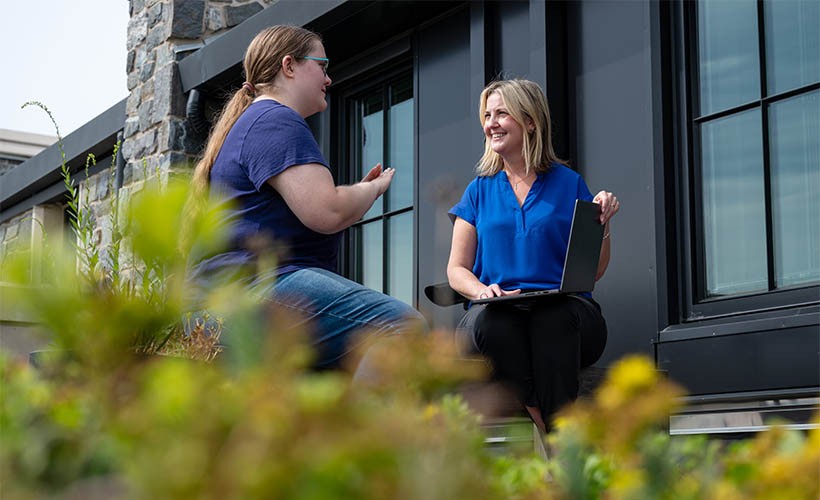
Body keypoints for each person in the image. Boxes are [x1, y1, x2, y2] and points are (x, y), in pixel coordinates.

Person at [184, 25, 425, 372]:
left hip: (220, 304)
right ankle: (371, 412)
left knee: (326, 372)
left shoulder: (254, 123)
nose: (328, 78)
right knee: (401, 326)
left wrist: (354, 197)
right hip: (249, 295)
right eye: (322, 66)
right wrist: (371, 190)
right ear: (289, 66)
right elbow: (327, 211)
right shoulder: (276, 120)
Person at [446, 79, 619, 431]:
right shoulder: (478, 190)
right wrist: (482, 291)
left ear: (529, 121)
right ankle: (551, 428)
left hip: (567, 314)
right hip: (497, 312)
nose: (491, 123)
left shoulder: (570, 183)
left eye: (501, 113)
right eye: (487, 115)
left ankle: (554, 434)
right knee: (496, 323)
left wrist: (603, 223)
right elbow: (456, 269)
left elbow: (594, 271)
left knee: (552, 319)